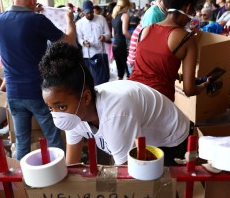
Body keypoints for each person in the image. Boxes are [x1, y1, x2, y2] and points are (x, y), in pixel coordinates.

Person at [40, 42, 191, 166]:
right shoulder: (73, 114)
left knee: (164, 193)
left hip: (171, 138)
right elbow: (72, 164)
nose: (56, 115)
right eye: (50, 108)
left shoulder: (116, 113)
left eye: (61, 107)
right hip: (143, 135)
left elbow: (125, 176)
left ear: (86, 97)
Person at [0, 0, 76, 160]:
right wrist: (70, 20)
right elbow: (69, 43)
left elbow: (19, 25)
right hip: (37, 91)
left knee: (22, 142)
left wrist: (33, 13)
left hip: (13, 93)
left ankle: (21, 182)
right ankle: (59, 173)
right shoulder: (36, 21)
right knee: (53, 138)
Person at [129, 0, 209, 102]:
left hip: (134, 96)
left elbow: (151, 67)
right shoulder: (186, 39)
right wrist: (204, 86)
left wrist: (178, 76)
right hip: (159, 104)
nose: (191, 17)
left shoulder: (146, 30)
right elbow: (189, 90)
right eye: (192, 12)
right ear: (187, 8)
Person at [76, 0, 111, 85]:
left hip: (100, 54)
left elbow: (108, 34)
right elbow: (79, 38)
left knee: (103, 80)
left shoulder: (101, 19)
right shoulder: (79, 23)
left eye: (91, 12)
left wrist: (104, 37)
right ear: (83, 12)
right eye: (87, 13)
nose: (90, 14)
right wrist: (83, 43)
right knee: (90, 80)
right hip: (87, 56)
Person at [111, 0, 132, 80]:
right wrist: (134, 38)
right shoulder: (125, 15)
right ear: (126, 7)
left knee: (120, 72)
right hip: (122, 44)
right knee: (128, 70)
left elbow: (113, 34)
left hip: (115, 45)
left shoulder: (114, 16)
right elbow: (125, 32)